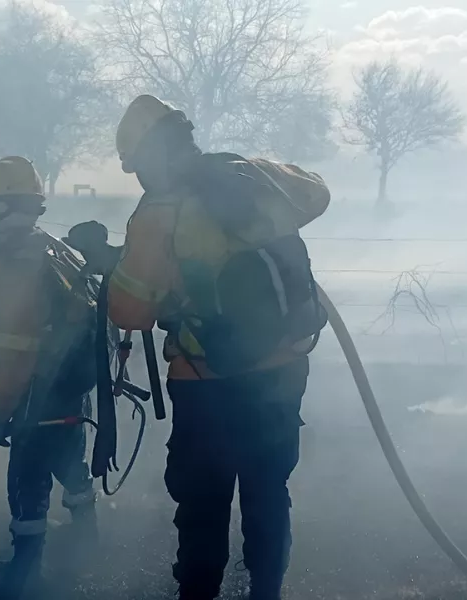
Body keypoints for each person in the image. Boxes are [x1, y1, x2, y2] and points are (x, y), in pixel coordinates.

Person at [66, 95, 331, 600]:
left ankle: (199, 591)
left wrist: (111, 262)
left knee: (204, 504)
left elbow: (130, 313)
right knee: (268, 490)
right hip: (282, 371)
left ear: (146, 156)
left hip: (207, 382)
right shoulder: (249, 176)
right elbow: (316, 196)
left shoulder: (160, 211)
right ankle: (267, 589)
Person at [0, 156, 100, 599]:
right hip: (72, 389)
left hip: (35, 395)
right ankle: (87, 538)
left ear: (1, 207)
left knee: (27, 482)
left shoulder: (15, 262)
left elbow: (15, 351)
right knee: (69, 462)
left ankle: (22, 576)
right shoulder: (54, 247)